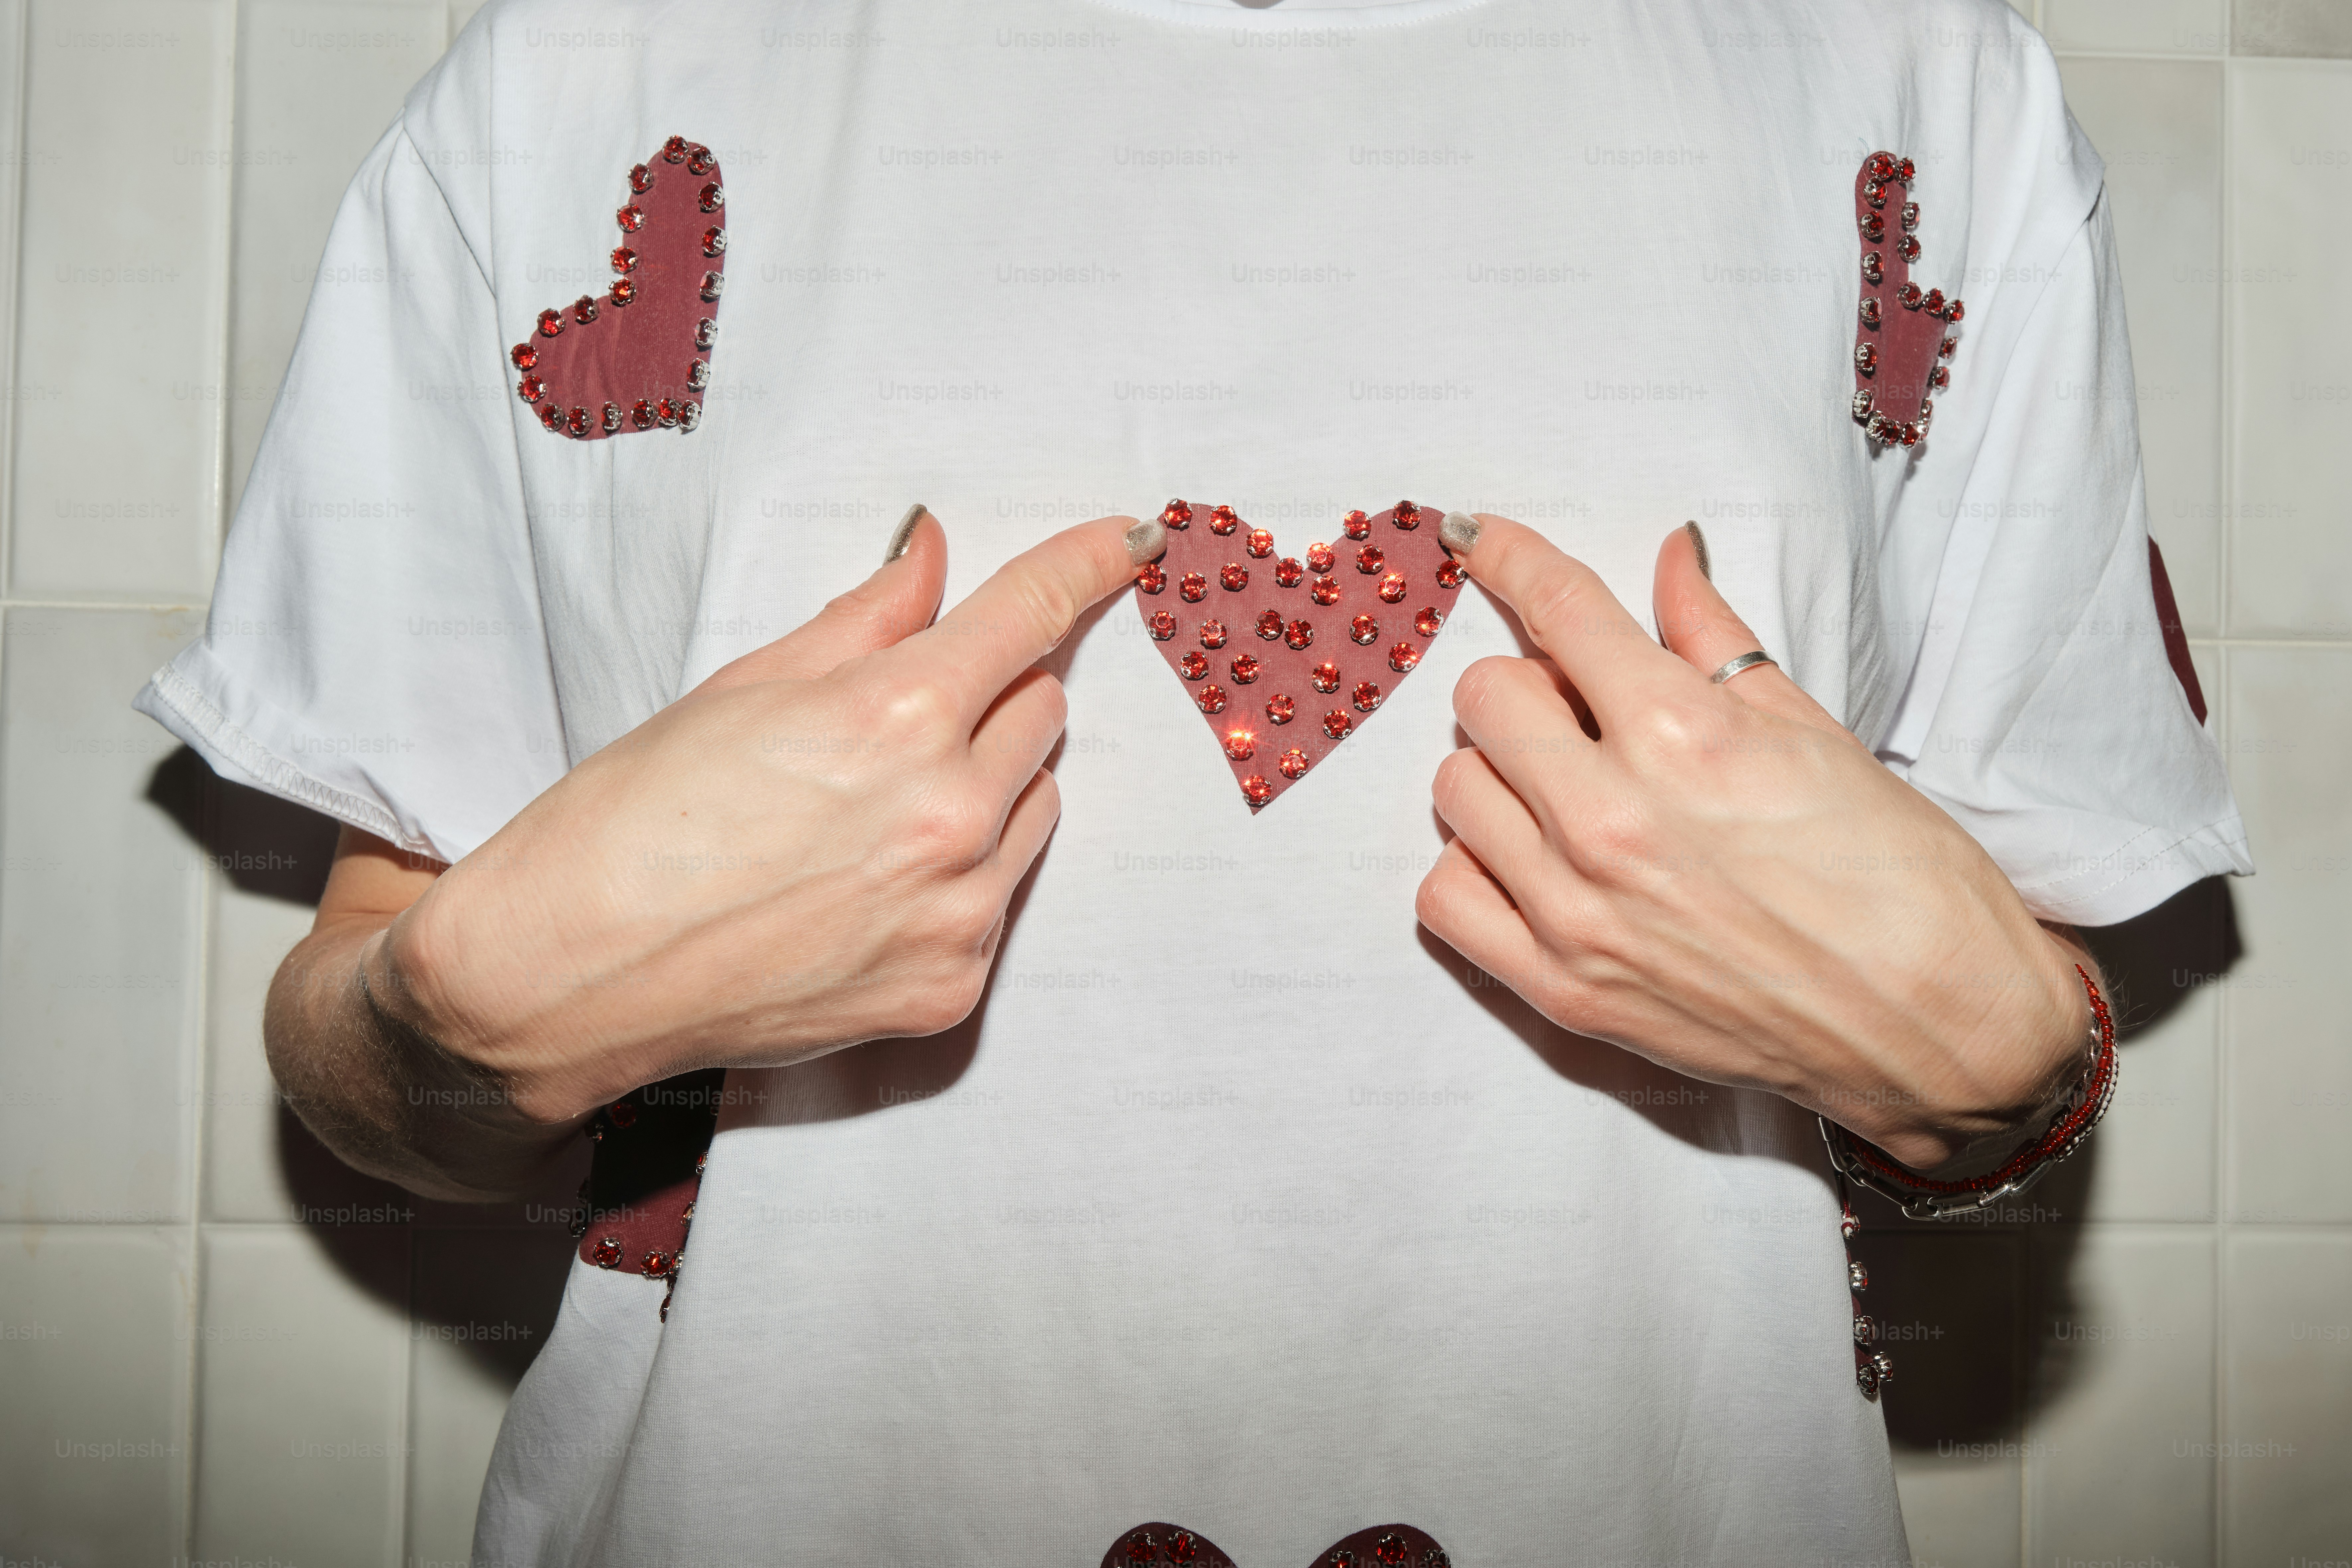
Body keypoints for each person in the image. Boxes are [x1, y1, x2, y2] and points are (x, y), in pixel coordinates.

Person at [135, 0, 2250, 1562]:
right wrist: (472, 1023)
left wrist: (1996, 1076)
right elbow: (362, 1020)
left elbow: (2019, 981)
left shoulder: (1920, 82)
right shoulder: (576, 74)